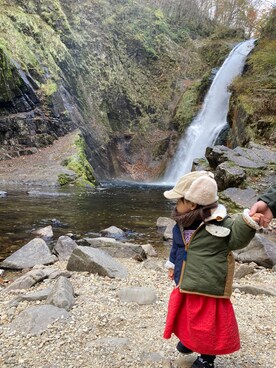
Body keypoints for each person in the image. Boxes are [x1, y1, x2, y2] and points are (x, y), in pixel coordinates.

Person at [163, 171, 263, 368]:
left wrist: (249, 222)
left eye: (178, 201)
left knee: (207, 323)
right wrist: (172, 265)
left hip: (208, 285)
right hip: (185, 280)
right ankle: (190, 340)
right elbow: (177, 246)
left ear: (191, 204)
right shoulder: (180, 225)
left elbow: (237, 238)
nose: (175, 206)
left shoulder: (220, 222)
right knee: (187, 314)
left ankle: (206, 357)